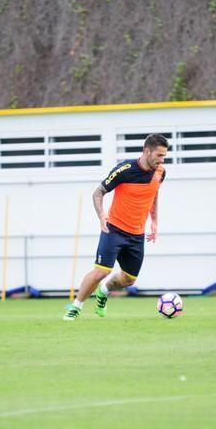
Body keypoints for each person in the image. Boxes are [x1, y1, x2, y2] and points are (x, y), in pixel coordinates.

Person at [63, 133, 169, 321]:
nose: (162, 160)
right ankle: (75, 306)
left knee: (129, 279)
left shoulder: (161, 173)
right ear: (147, 151)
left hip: (137, 235)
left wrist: (155, 221)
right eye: (159, 155)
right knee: (101, 272)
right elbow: (98, 193)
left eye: (164, 156)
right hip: (114, 229)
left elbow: (154, 195)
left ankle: (104, 291)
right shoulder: (125, 169)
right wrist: (101, 216)